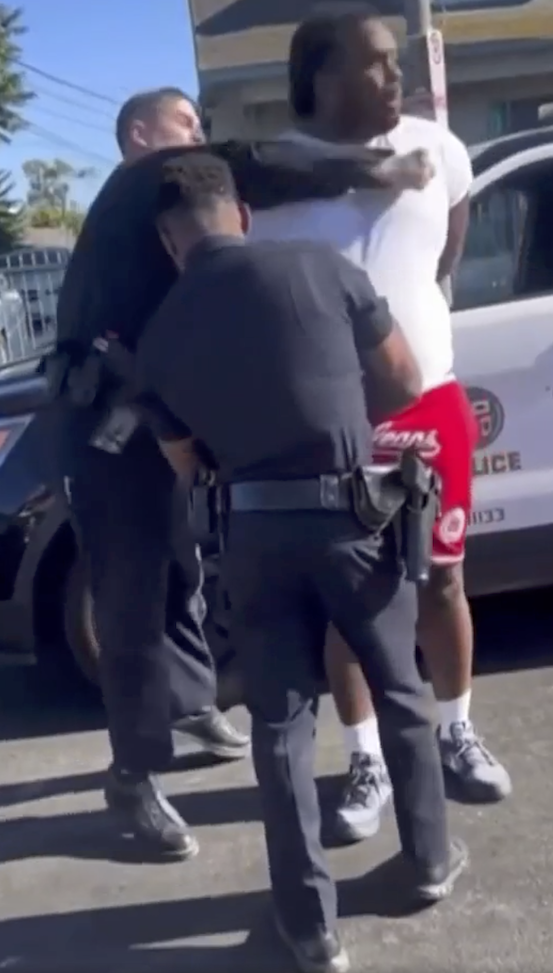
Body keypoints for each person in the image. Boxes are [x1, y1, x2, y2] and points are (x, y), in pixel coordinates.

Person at [52, 86, 436, 861]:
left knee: (181, 564)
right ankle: (132, 777)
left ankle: (190, 703)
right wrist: (377, 169)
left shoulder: (151, 228)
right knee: (128, 599)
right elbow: (247, 164)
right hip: (111, 429)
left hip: (161, 408)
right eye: (187, 123)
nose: (200, 134)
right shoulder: (142, 180)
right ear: (140, 136)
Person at [135, 152, 468, 973]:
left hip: (250, 537)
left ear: (168, 242)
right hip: (354, 517)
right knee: (397, 685)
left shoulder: (159, 335)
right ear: (240, 214)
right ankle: (427, 861)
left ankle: (310, 928)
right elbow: (403, 379)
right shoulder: (322, 268)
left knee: (279, 724)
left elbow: (188, 467)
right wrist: (336, 421)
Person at [246, 5, 513, 845]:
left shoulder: (441, 150)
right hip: (335, 425)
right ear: (321, 78)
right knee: (352, 607)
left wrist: (416, 331)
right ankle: (365, 761)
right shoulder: (271, 175)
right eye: (374, 63)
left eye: (398, 60)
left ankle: (456, 731)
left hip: (430, 403)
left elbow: (444, 258)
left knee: (440, 580)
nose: (395, 76)